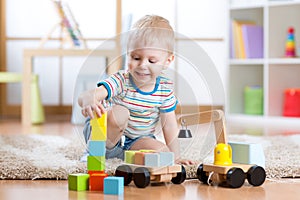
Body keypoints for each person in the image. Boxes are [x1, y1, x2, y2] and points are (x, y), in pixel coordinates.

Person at [78, 15, 193, 165]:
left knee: (164, 154)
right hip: (105, 136)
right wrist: (90, 100)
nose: (143, 65)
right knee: (120, 113)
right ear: (128, 54)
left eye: (152, 61)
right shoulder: (121, 80)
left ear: (167, 61)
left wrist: (176, 157)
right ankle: (92, 152)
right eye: (136, 58)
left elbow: (169, 125)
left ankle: (129, 157)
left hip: (136, 142)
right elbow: (86, 96)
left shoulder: (164, 91)